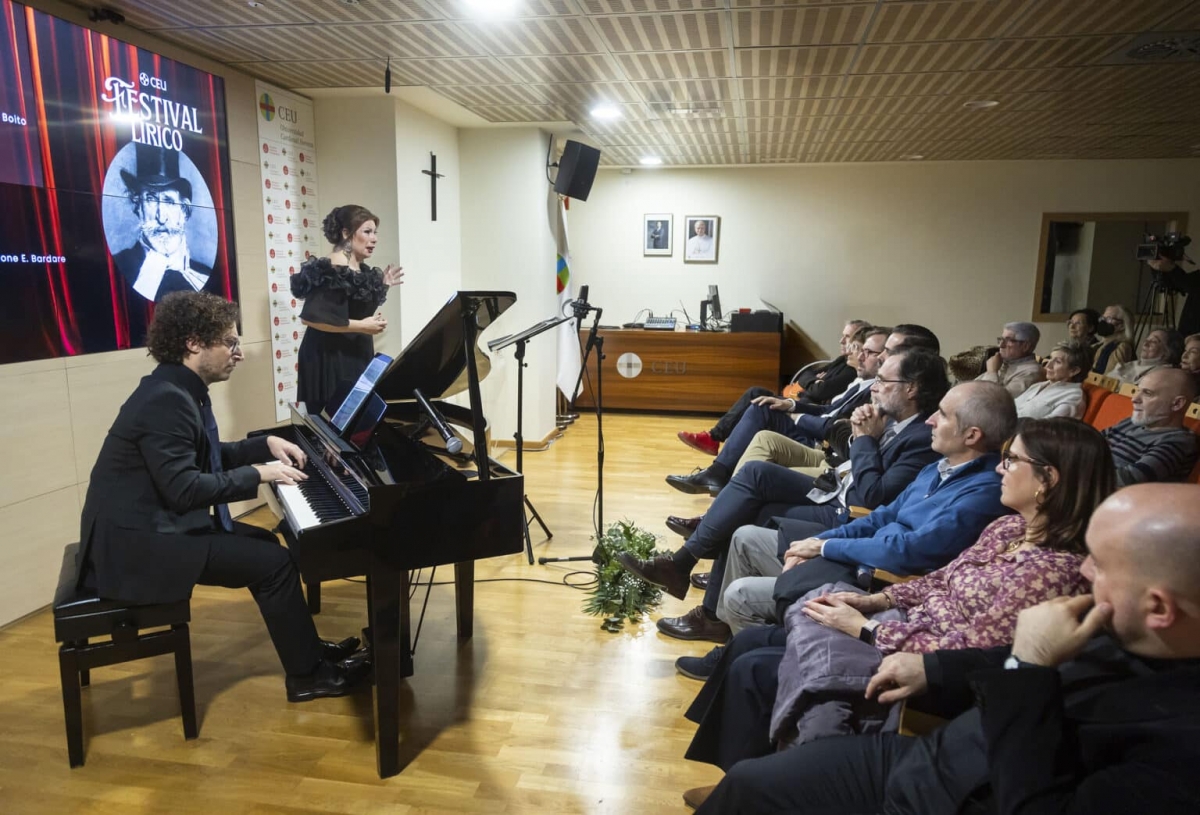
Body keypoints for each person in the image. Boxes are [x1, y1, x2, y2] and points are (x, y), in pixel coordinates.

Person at [690, 483, 1200, 815]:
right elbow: (994, 648)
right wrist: (932, 667)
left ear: (1160, 607)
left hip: (960, 795)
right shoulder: (1129, 627)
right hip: (938, 757)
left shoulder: (1181, 747)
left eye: (1103, 564)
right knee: (752, 785)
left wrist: (1027, 667)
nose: (1084, 571)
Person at [677, 418, 1111, 792]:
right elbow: (938, 578)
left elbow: (972, 651)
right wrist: (874, 600)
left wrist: (867, 629)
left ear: (1048, 479)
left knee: (755, 667)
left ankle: (764, 785)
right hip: (900, 624)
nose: (1001, 467)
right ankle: (739, 778)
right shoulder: (1009, 528)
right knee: (751, 642)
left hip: (919, 669)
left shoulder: (1052, 572)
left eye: (1012, 460)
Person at [76, 292, 370, 703]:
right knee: (272, 564)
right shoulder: (166, 400)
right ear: (194, 343)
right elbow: (184, 490)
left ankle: (308, 653)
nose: (239, 354)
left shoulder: (177, 388)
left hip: (151, 528)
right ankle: (308, 677)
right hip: (136, 546)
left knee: (268, 545)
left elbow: (205, 457)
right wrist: (259, 473)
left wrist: (264, 445)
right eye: (230, 343)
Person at [672, 380, 1016, 679]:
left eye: (942, 414)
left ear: (972, 435)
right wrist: (817, 541)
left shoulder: (982, 493)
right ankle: (732, 640)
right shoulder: (941, 467)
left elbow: (907, 549)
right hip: (856, 556)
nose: (930, 419)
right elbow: (881, 516)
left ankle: (766, 663)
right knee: (745, 536)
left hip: (875, 578)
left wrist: (825, 549)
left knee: (740, 594)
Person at [629, 349, 948, 644]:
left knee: (748, 503)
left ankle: (702, 599)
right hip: (836, 489)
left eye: (883, 380)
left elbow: (870, 497)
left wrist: (863, 438)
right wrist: (858, 435)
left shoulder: (920, 437)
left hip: (846, 513)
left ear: (912, 388)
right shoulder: (891, 418)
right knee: (755, 478)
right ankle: (685, 567)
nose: (874, 386)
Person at [665, 328, 890, 497]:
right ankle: (719, 469)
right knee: (761, 398)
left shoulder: (867, 387)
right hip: (807, 410)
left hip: (819, 441)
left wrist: (796, 411)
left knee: (762, 408)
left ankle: (719, 471)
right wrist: (793, 405)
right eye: (860, 348)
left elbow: (830, 417)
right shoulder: (856, 376)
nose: (856, 352)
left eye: (867, 351)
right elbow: (812, 382)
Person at [677, 320, 869, 457]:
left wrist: (811, 386)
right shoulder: (841, 360)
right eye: (843, 337)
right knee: (755, 393)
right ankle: (714, 438)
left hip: (805, 410)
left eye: (848, 338)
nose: (842, 342)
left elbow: (819, 392)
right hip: (799, 403)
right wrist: (813, 382)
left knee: (758, 404)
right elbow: (807, 374)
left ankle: (717, 447)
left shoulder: (852, 370)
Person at [290, 204, 404, 415]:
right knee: (334, 422)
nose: (374, 238)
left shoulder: (359, 269)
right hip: (329, 357)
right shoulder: (332, 268)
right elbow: (312, 318)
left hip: (353, 352)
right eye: (367, 232)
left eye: (375, 232)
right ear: (346, 234)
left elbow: (352, 308)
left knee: (355, 418)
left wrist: (383, 285)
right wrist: (362, 325)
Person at [112, 144, 218, 302]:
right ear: (137, 207)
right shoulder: (119, 267)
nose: (161, 217)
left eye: (169, 201)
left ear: (184, 211)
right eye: (150, 199)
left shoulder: (203, 275)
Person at [1102, 366, 1198, 486]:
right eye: (1138, 390)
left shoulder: (1178, 442)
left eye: (1147, 393)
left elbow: (1126, 481)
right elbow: (1087, 445)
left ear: (1177, 404)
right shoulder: (1130, 422)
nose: (1134, 399)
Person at [1013, 339, 1089, 419]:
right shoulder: (1039, 385)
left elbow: (1048, 428)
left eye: (1057, 362)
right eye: (1050, 358)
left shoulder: (1073, 396)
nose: (1048, 365)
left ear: (1073, 371)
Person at [975, 321, 1043, 397]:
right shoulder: (1002, 361)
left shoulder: (1031, 372)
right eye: (1001, 339)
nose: (1001, 345)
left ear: (1025, 346)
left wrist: (992, 372)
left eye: (1008, 340)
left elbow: (995, 399)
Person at [1110, 327, 1182, 384]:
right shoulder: (1130, 364)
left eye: (1154, 341)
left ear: (1168, 353)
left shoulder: (1163, 374)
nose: (1146, 344)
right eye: (1146, 340)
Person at [1092, 303, 1135, 374]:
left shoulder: (1122, 347)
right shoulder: (1098, 346)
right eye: (1103, 318)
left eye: (1108, 319)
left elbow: (1110, 377)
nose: (1103, 322)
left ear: (1122, 326)